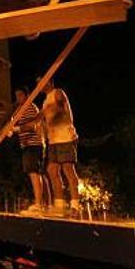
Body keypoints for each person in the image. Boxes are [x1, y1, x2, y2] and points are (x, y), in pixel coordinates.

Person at [41, 79, 80, 216]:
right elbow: (45, 120)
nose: (41, 86)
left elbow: (61, 108)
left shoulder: (57, 93)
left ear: (50, 82)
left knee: (68, 169)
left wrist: (48, 112)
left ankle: (75, 205)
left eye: (43, 82)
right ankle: (59, 205)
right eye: (39, 84)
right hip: (53, 140)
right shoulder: (45, 101)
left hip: (64, 136)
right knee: (52, 170)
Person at [11, 87, 49, 215]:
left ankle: (39, 203)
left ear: (27, 96)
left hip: (34, 144)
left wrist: (16, 129)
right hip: (28, 144)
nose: (18, 98)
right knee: (37, 173)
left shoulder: (30, 108)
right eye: (16, 96)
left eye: (21, 95)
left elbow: (33, 124)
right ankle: (44, 203)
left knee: (34, 172)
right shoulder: (21, 110)